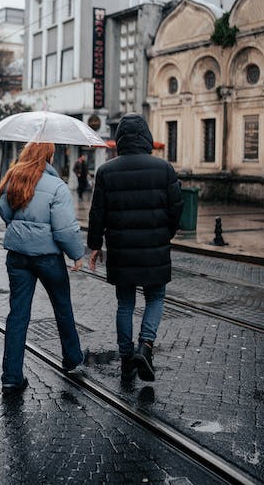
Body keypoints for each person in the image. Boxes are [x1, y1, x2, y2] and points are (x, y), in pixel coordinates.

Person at [87, 114, 183, 382]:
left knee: (125, 304)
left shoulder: (106, 171)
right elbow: (176, 210)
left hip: (121, 250)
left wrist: (95, 245)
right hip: (155, 248)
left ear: (120, 140)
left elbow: (98, 213)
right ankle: (146, 346)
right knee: (155, 298)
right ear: (146, 137)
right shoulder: (164, 169)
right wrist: (165, 234)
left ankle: (127, 356)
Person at [0, 142, 87, 395]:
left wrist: (20, 227)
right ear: (48, 156)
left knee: (18, 314)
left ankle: (12, 377)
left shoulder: (14, 178)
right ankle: (71, 358)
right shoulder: (57, 186)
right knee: (62, 306)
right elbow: (64, 228)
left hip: (17, 255)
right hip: (48, 257)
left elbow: (4, 209)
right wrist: (76, 254)